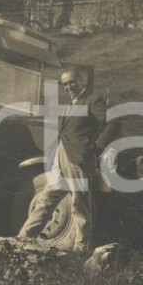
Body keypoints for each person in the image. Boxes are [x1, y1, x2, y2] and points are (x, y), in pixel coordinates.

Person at [16, 68, 119, 252]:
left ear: (82, 82)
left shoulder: (93, 100)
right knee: (45, 200)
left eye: (72, 82)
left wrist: (96, 147)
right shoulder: (69, 105)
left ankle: (81, 247)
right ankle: (23, 239)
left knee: (80, 203)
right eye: (65, 84)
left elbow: (112, 123)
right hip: (61, 158)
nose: (68, 87)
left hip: (78, 158)